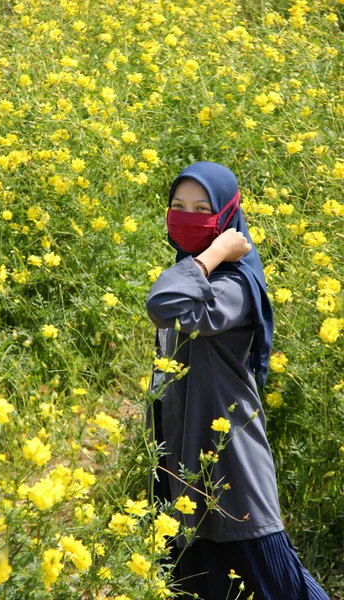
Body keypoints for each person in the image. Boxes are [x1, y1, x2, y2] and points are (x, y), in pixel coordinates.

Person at [145, 162, 329, 599]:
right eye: (178, 207)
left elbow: (163, 303)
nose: (187, 217)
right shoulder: (195, 275)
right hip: (183, 448)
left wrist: (212, 256)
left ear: (228, 218)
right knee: (194, 577)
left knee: (270, 582)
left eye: (201, 209)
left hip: (228, 456)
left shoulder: (233, 285)